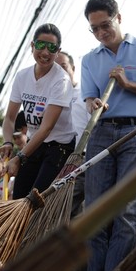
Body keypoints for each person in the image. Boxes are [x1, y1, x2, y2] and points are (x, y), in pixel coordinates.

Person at [81, 0, 136, 271]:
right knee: (97, 211)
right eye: (95, 29)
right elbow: (88, 97)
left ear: (119, 18)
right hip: (101, 132)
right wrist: (94, 103)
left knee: (127, 212)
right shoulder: (89, 59)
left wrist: (127, 85)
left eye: (105, 25)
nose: (102, 33)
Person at [0, 23, 75, 199]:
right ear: (32, 46)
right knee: (18, 196)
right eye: (40, 45)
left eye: (52, 48)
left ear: (58, 51)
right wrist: (7, 142)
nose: (46, 53)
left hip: (59, 147)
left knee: (35, 198)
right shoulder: (22, 76)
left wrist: (19, 157)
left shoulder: (61, 81)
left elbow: (46, 128)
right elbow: (10, 118)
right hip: (35, 144)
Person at [56, 50, 89, 219]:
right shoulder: (53, 98)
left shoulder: (86, 94)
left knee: (62, 211)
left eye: (63, 66)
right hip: (59, 162)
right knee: (72, 215)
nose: (60, 72)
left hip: (81, 160)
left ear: (73, 68)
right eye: (56, 68)